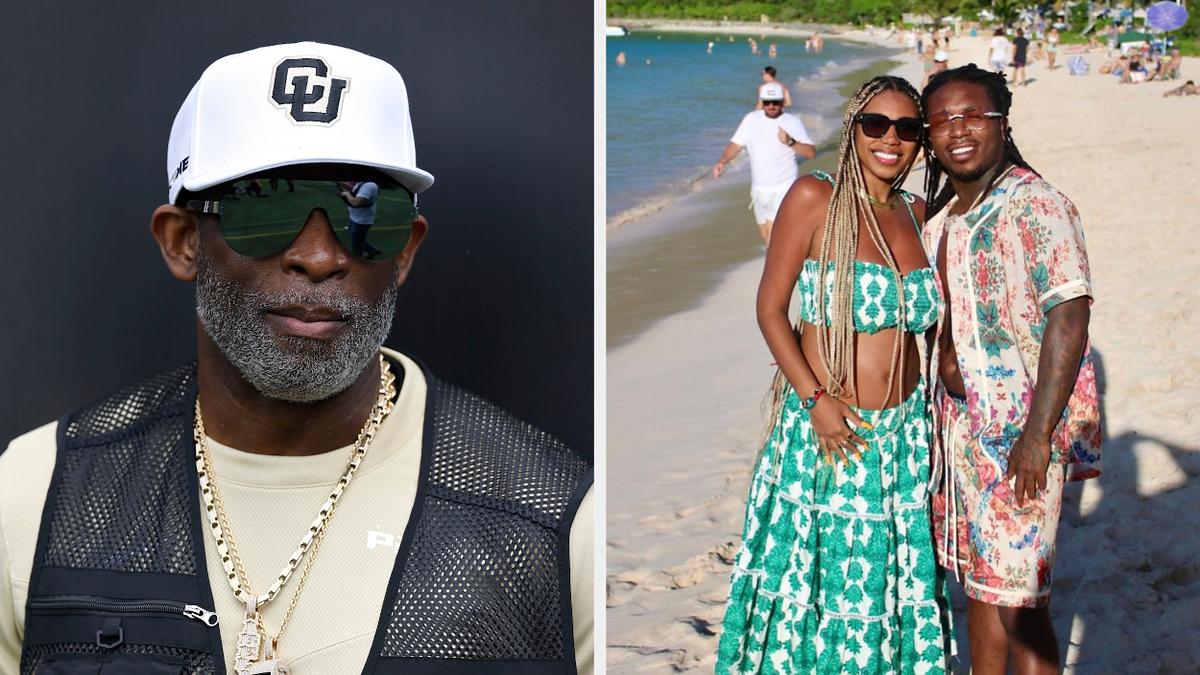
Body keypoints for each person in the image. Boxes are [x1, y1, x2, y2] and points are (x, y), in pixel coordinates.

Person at [0, 42, 594, 675]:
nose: (318, 256)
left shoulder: (555, 519)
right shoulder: (37, 491)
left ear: (404, 251)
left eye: (367, 213)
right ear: (183, 242)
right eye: (266, 208)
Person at [715, 75, 953, 674]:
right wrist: (814, 400)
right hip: (831, 430)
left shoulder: (919, 213)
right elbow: (771, 308)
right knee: (821, 594)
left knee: (883, 594)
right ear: (853, 129)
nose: (891, 140)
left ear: (920, 142)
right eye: (877, 124)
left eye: (907, 129)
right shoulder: (813, 198)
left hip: (903, 435)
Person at [920, 64, 1100, 675]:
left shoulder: (1035, 202)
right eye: (941, 119)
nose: (957, 130)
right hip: (954, 431)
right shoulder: (944, 219)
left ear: (1003, 122)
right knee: (979, 585)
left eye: (973, 114)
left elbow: (1069, 317)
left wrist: (1036, 436)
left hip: (1017, 434)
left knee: (1021, 602)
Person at [713, 83, 816, 244]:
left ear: (782, 102)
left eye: (775, 102)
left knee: (773, 236)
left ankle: (776, 267)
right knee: (765, 235)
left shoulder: (792, 122)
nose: (771, 106)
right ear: (761, 102)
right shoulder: (751, 119)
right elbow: (736, 145)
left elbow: (810, 153)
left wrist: (790, 142)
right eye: (767, 102)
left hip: (783, 187)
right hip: (759, 191)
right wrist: (722, 162)